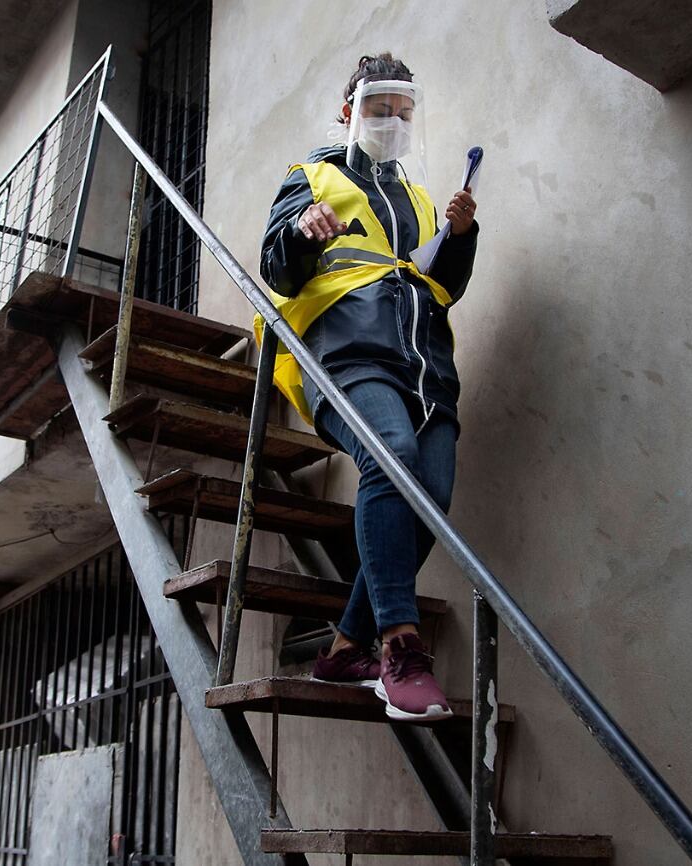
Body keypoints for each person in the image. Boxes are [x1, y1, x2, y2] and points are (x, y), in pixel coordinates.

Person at [258, 53, 479, 721]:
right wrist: (302, 228)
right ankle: (399, 649)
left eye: (404, 110)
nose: (393, 120)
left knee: (430, 498)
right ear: (349, 110)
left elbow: (440, 283)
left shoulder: (414, 196)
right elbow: (277, 265)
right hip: (347, 353)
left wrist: (459, 236)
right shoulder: (314, 175)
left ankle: (347, 644)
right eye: (380, 106)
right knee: (390, 459)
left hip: (424, 363)